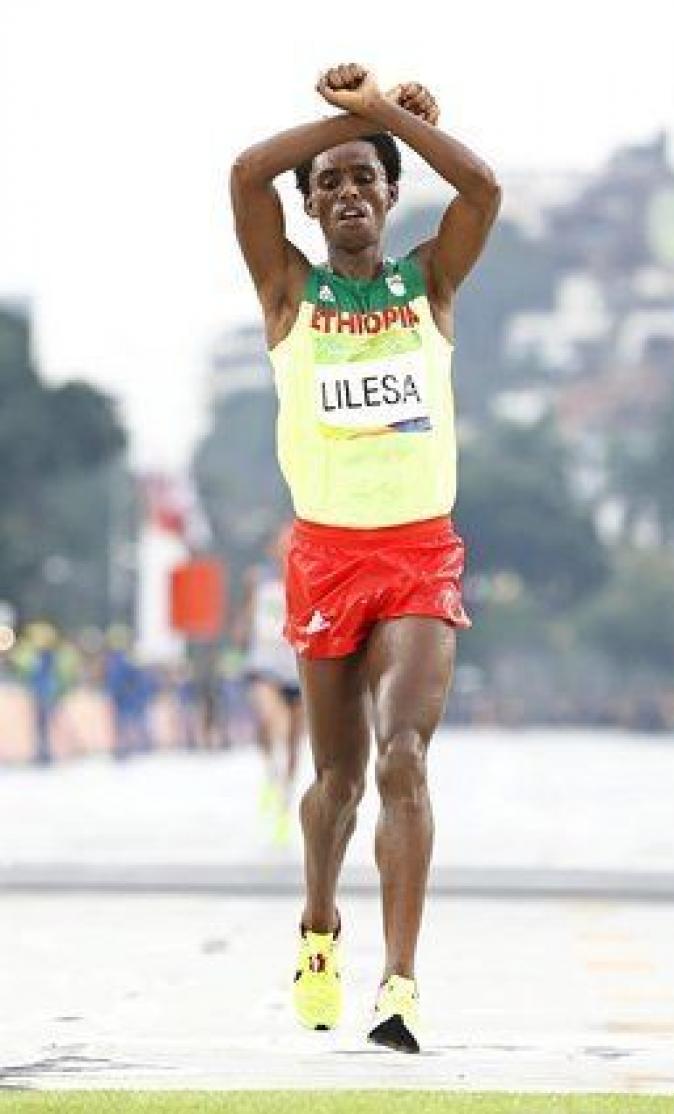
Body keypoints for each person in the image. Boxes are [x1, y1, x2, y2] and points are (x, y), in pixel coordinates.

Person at [230, 63, 500, 1053]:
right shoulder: (288, 292)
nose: (347, 192)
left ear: (390, 196)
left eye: (365, 178)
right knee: (336, 783)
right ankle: (318, 928)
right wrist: (347, 118)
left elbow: (482, 190)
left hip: (419, 552)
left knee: (403, 758)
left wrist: (383, 117)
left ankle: (400, 983)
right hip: (326, 556)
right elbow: (246, 174)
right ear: (310, 205)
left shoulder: (428, 283)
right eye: (329, 182)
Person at [238, 526, 304, 846]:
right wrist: (245, 627)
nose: (287, 550)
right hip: (264, 665)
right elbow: (244, 624)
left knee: (294, 742)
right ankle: (270, 772)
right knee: (273, 720)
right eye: (283, 544)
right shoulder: (258, 580)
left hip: (298, 668)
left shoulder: (311, 580)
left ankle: (284, 802)